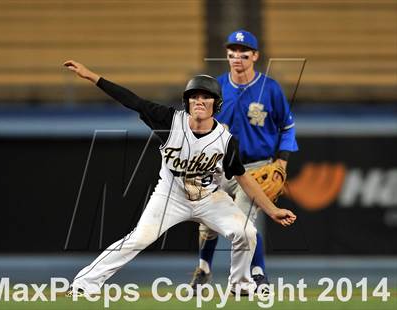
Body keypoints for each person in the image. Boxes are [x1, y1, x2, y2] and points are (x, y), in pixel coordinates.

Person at [63, 60, 296, 296]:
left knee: (246, 232)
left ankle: (240, 285)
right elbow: (132, 101)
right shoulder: (169, 120)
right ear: (187, 102)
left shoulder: (225, 141)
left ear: (216, 104)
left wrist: (271, 210)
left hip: (209, 198)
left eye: (206, 97)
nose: (199, 101)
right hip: (170, 196)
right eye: (194, 97)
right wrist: (93, 77)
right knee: (138, 238)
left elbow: (244, 178)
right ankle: (85, 283)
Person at [190, 30, 298, 291]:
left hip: (255, 166)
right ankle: (204, 268)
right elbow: (200, 125)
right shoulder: (216, 88)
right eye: (232, 54)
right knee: (208, 223)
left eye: (243, 54)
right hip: (218, 167)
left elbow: (287, 127)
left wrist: (282, 161)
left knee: (242, 221)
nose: (237, 58)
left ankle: (258, 274)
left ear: (255, 56)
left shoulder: (269, 88)